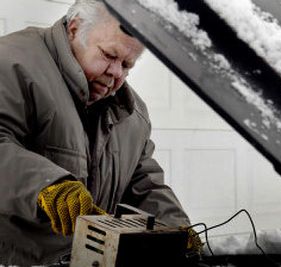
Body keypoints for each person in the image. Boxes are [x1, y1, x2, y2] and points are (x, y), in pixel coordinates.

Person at [0, 0, 192, 265]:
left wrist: (175, 228)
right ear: (75, 29)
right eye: (109, 55)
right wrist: (47, 186)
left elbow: (142, 180)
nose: (115, 73)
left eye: (127, 65)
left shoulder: (132, 115)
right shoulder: (10, 62)